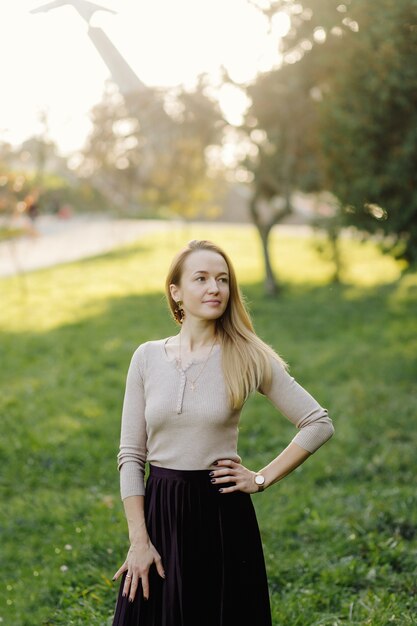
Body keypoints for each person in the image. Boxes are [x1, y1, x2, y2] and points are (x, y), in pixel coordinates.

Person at [111, 239, 335, 626]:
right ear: (176, 292)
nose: (215, 288)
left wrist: (261, 478)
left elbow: (318, 422)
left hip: (220, 514)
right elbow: (131, 455)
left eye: (223, 279)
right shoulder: (146, 357)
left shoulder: (247, 356)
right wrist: (139, 540)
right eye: (201, 278)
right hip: (161, 509)